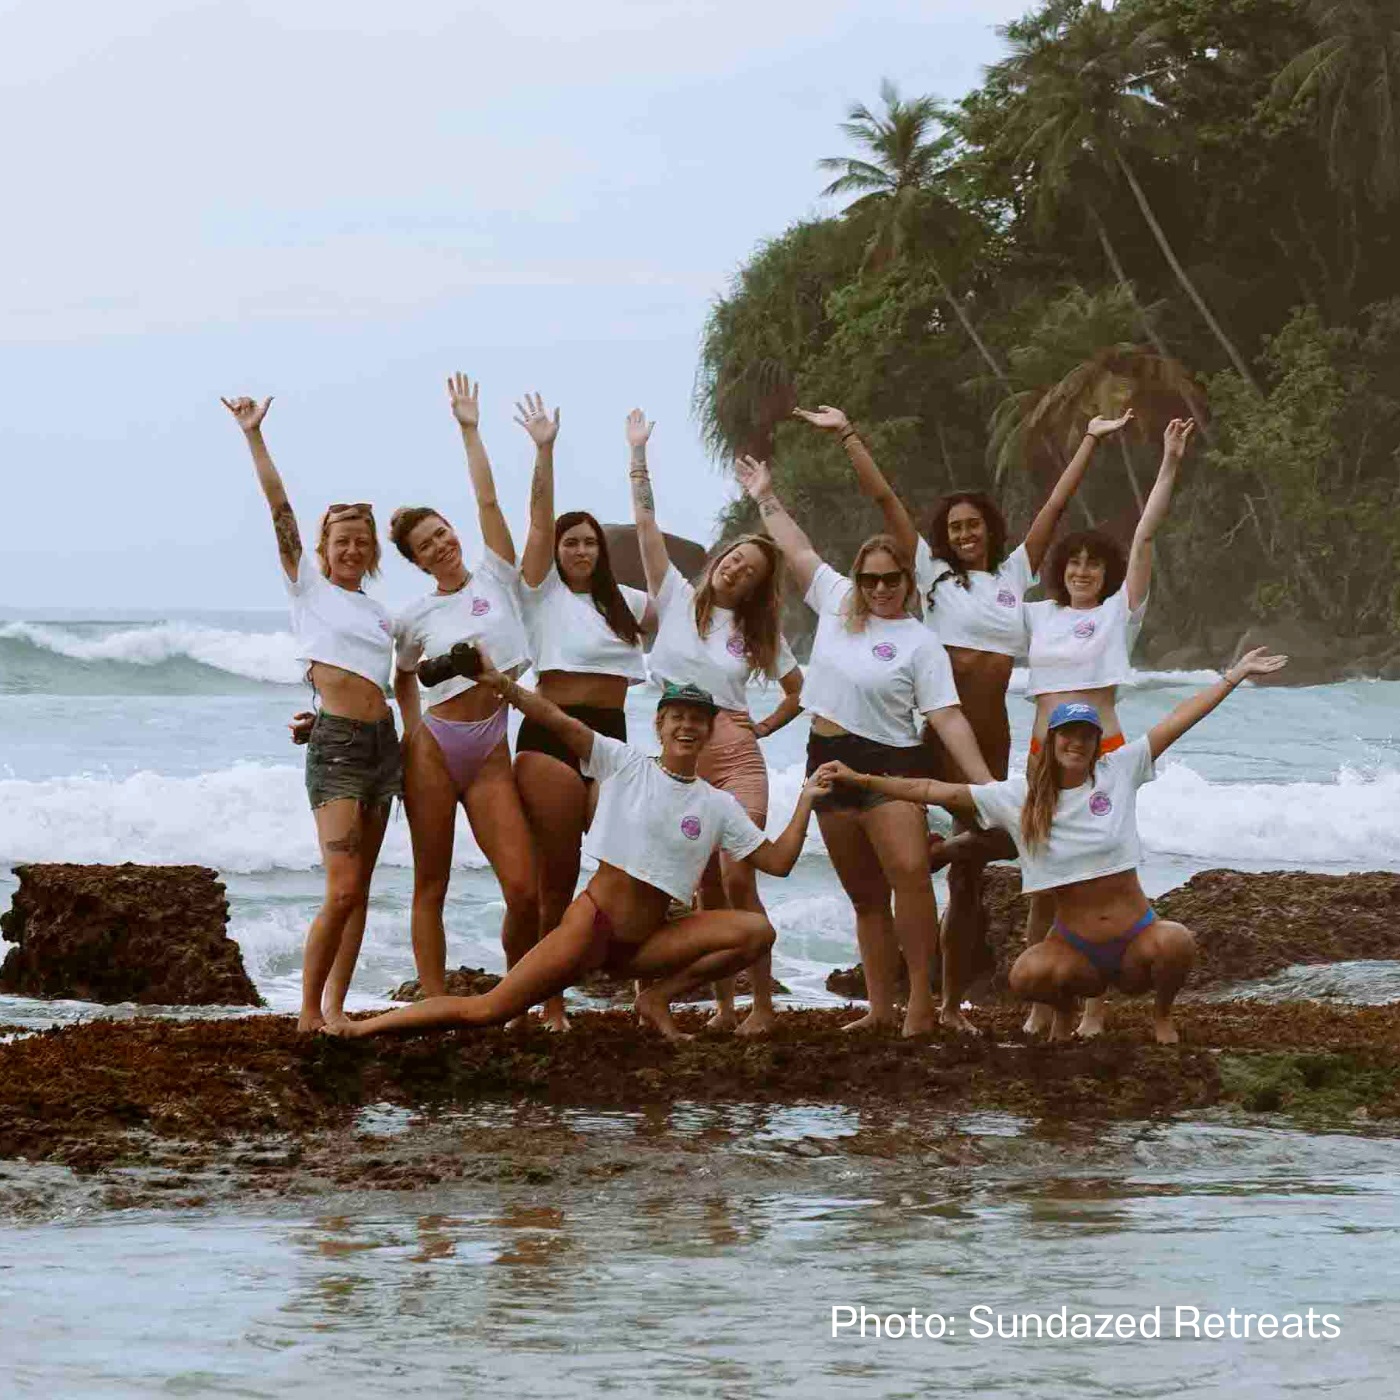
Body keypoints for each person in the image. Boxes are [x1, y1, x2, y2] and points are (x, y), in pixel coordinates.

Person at [791, 403, 1135, 1005]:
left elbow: (1054, 511)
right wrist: (848, 435)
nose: (964, 535)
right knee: (933, 869)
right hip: (938, 738)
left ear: (990, 528)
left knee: (977, 872)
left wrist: (1089, 441)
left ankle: (953, 990)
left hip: (993, 736)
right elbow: (886, 504)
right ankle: (941, 1002)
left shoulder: (1013, 575)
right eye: (954, 528)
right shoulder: (931, 575)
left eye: (973, 525)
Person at [814, 648, 1288, 1044]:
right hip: (1076, 948)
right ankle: (1063, 1014)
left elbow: (1177, 721)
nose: (1076, 743)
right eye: (1068, 735)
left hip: (1135, 938)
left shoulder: (1118, 772)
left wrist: (1233, 677)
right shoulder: (1020, 799)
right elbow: (935, 791)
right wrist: (863, 778)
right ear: (1052, 742)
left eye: (1086, 735)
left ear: (1096, 741)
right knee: (1026, 975)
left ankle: (1162, 1016)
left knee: (1177, 941)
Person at [326, 677, 828, 1041]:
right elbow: (558, 721)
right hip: (592, 929)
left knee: (756, 932)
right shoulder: (625, 763)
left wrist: (805, 800)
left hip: (647, 945)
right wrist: (503, 685)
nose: (687, 727)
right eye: (677, 718)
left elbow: (779, 861)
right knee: (487, 1010)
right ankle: (360, 1029)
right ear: (660, 725)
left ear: (710, 730)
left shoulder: (718, 806)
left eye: (698, 720)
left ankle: (654, 997)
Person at [736, 454, 994, 1036]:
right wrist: (764, 496)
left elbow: (947, 717)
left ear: (908, 580)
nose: (879, 588)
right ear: (858, 578)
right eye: (869, 579)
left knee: (908, 876)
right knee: (865, 896)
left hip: (893, 764)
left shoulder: (920, 642)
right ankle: (880, 1009)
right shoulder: (833, 601)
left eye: (891, 579)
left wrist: (983, 784)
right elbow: (797, 550)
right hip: (826, 762)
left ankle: (922, 1006)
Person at [222, 394, 398, 1034]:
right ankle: (303, 1014)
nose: (351, 549)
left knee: (363, 892)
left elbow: (394, 683)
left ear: (373, 551)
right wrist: (254, 438)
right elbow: (280, 510)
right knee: (342, 889)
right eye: (341, 540)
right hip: (340, 750)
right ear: (323, 547)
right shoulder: (309, 588)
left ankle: (335, 1010)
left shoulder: (382, 615)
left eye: (361, 542)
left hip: (385, 749)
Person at [627, 408, 804, 1035]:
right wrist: (639, 454)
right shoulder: (674, 596)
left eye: (751, 572)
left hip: (735, 756)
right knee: (698, 886)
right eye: (735, 560)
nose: (737, 570)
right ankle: (723, 1007)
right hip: (676, 755)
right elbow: (646, 523)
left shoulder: (757, 633)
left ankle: (761, 1006)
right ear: (722, 558)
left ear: (757, 587)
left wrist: (763, 727)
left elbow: (799, 691)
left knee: (738, 876)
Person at [1018, 415, 1193, 1036]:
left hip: (1105, 746)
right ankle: (1048, 999)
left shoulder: (1121, 615)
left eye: (1094, 564)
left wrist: (1168, 462)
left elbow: (1144, 539)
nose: (1083, 571)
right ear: (1061, 569)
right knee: (1043, 878)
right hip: (1043, 750)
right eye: (1075, 563)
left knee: (1105, 868)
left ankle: (1096, 1006)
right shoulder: (1038, 617)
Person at [386, 374, 549, 1018]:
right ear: (418, 561)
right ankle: (433, 1003)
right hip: (434, 748)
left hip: (490, 749)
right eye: (426, 545)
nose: (442, 544)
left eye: (443, 533)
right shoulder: (414, 617)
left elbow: (488, 503)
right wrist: (410, 728)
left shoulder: (495, 575)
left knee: (524, 888)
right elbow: (402, 676)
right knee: (432, 883)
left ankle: (513, 996)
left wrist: (469, 429)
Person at [514, 394, 657, 1013]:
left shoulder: (626, 603)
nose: (578, 550)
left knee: (625, 860)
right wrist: (545, 450)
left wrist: (639, 460)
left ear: (601, 551)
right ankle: (548, 1001)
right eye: (571, 542)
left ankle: (618, 973)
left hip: (613, 739)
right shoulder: (540, 593)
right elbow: (538, 520)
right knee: (558, 871)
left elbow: (695, 619)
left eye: (589, 543)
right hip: (550, 735)